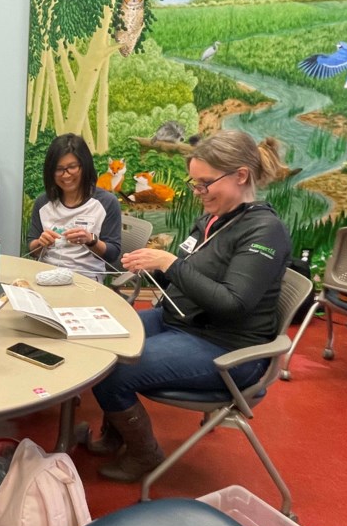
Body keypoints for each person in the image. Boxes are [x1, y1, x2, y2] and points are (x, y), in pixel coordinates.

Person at [86, 130, 291, 482]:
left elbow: (232, 305)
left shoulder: (264, 231)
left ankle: (145, 454)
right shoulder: (213, 220)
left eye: (205, 184)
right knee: (104, 341)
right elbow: (183, 279)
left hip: (227, 347)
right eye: (195, 184)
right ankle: (118, 432)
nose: (198, 193)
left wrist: (170, 264)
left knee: (115, 369)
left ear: (241, 176)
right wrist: (155, 267)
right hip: (183, 321)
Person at [27, 133, 122, 282]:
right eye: (59, 169)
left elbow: (113, 254)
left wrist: (90, 240)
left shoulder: (107, 203)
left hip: (87, 280)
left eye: (72, 167)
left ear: (85, 166)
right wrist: (40, 243)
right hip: (48, 277)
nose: (66, 175)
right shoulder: (43, 203)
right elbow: (32, 248)